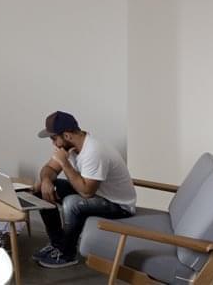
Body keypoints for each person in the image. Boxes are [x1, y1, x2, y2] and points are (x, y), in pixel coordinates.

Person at [32, 110, 136, 269]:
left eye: (54, 138)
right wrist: (46, 180)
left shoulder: (94, 151)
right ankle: (57, 244)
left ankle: (67, 254)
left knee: (72, 203)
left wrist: (64, 163)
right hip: (96, 193)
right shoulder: (69, 147)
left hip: (118, 205)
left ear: (67, 135)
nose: (53, 144)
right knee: (40, 189)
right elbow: (49, 169)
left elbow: (86, 192)